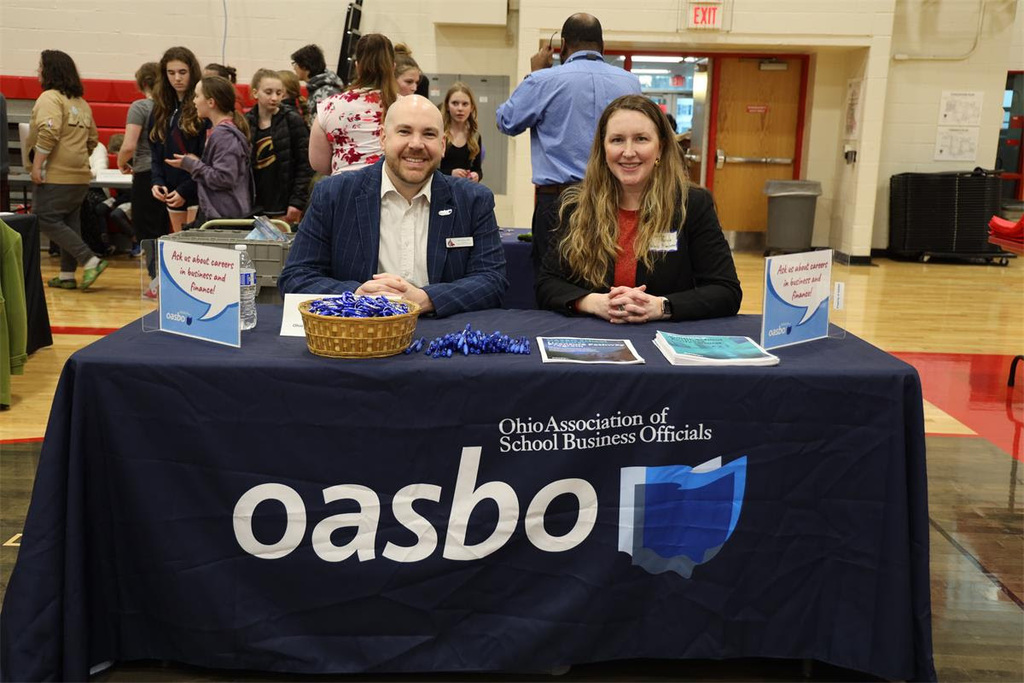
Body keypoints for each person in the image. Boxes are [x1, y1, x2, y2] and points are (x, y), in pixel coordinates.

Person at [280, 95, 507, 317]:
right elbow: (296, 277)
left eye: (428, 134)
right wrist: (356, 295)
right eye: (404, 131)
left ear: (442, 144)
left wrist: (426, 299)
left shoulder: (473, 201)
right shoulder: (334, 195)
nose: (416, 144)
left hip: (443, 341)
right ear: (383, 138)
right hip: (360, 340)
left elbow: (492, 281)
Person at [536, 95, 741, 323]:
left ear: (661, 147)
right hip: (593, 337)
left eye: (641, 139)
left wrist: (661, 307)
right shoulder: (574, 205)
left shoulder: (691, 204)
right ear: (603, 148)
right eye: (617, 140)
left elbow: (726, 291)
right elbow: (547, 284)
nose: (629, 152)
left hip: (666, 339)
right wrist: (595, 303)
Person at [496, 13, 641, 275]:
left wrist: (536, 74)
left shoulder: (543, 80)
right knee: (607, 276)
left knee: (552, 281)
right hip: (612, 197)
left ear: (562, 46)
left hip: (557, 202)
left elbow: (507, 121)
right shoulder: (630, 82)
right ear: (602, 46)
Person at [26, 49, 108, 290]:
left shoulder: (50, 98)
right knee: (70, 223)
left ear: (51, 70)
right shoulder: (81, 103)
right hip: (80, 176)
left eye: (41, 66)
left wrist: (37, 166)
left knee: (45, 218)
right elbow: (93, 140)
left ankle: (90, 260)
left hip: (56, 174)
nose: (38, 71)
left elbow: (49, 132)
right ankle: (66, 276)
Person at [166, 76, 252, 223]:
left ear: (211, 102)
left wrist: (192, 165)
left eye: (197, 96)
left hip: (225, 217)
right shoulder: (219, 132)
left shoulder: (224, 135)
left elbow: (224, 178)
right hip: (219, 214)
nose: (194, 101)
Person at [308, 33, 395, 176]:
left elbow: (318, 164)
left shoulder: (330, 106)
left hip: (343, 189)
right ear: (393, 67)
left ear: (357, 66)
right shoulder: (406, 106)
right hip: (390, 190)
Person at [118, 61, 169, 297]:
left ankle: (156, 282)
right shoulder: (170, 106)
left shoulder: (140, 106)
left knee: (147, 230)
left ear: (143, 83)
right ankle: (164, 279)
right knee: (164, 228)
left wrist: (121, 161)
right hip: (169, 172)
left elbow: (129, 145)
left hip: (146, 172)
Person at [149, 46, 208, 233]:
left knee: (193, 246)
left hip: (195, 189)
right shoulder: (160, 108)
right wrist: (157, 181)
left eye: (182, 72)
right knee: (178, 245)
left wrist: (185, 190)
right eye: (171, 73)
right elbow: (155, 151)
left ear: (192, 72)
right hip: (170, 189)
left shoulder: (201, 108)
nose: (177, 78)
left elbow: (205, 158)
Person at [244, 69, 312, 225]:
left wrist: (296, 202)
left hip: (282, 205)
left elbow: (305, 164)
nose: (274, 98)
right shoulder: (246, 122)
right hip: (253, 204)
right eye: (268, 92)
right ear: (255, 93)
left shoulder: (292, 120)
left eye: (279, 93)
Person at [290, 44, 344, 127]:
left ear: (304, 66)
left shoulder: (326, 91)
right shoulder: (318, 87)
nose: (294, 68)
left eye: (295, 64)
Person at [439, 82, 483, 182]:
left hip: (465, 190)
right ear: (447, 106)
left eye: (465, 104)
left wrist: (476, 175)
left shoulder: (475, 136)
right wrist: (450, 173)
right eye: (455, 103)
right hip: (442, 188)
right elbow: (430, 170)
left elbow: (478, 170)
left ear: (471, 107)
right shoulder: (439, 134)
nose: (460, 109)